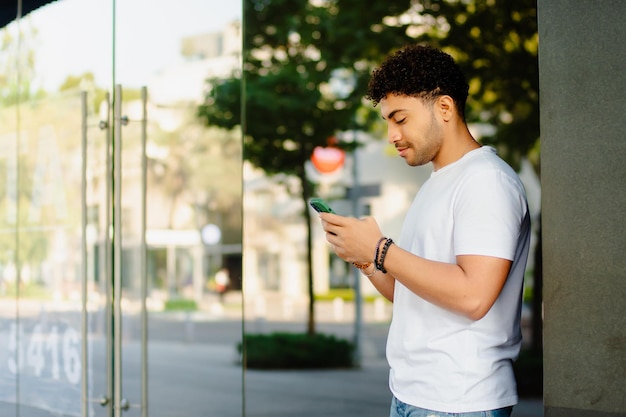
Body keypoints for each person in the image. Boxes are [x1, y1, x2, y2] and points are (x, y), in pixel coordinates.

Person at [318, 45, 531, 417]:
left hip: (459, 402)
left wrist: (380, 248)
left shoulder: (486, 181)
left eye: (400, 118)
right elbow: (409, 294)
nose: (391, 134)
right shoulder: (436, 183)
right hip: (412, 395)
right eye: (387, 121)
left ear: (445, 108)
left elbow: (472, 297)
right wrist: (365, 258)